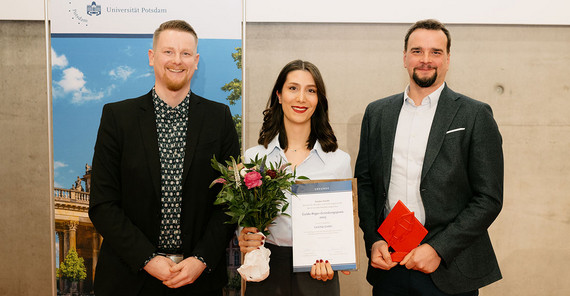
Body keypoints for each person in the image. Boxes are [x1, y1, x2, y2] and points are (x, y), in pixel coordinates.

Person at [88, 20, 240, 296]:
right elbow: (103, 204)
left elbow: (229, 205)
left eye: (185, 54)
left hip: (198, 280)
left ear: (195, 61)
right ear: (152, 57)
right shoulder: (117, 118)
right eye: (168, 52)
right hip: (128, 279)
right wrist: (147, 258)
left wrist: (201, 259)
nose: (177, 61)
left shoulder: (219, 119)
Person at [355, 19, 503, 296]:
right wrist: (373, 239)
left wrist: (439, 249)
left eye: (435, 52)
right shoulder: (377, 114)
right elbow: (365, 183)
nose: (425, 60)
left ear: (448, 59)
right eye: (417, 51)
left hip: (449, 268)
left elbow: (489, 198)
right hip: (390, 266)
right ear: (404, 58)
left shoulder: (474, 115)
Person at [239, 60, 352, 296]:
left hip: (318, 272)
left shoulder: (339, 161)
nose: (301, 98)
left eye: (311, 90)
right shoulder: (254, 158)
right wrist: (245, 236)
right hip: (266, 270)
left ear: (318, 99)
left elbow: (342, 226)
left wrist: (338, 256)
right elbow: (245, 221)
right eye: (293, 88)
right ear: (279, 95)